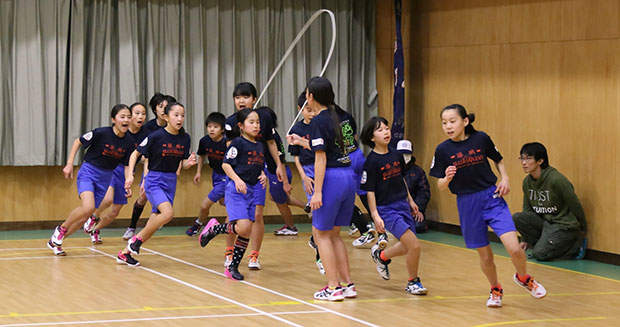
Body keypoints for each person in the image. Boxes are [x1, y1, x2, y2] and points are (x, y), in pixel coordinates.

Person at [429, 104, 546, 308]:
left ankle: (524, 277)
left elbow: (498, 160)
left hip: (491, 197)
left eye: (452, 121)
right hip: (466, 203)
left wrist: (505, 178)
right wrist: (446, 179)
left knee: (515, 249)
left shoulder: (481, 139)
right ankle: (495, 289)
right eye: (444, 123)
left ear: (465, 121)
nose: (448, 126)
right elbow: (439, 186)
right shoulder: (442, 150)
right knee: (486, 255)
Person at [287, 76, 357, 301]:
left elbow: (321, 158)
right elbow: (339, 148)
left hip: (330, 179)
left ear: (311, 96)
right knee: (335, 234)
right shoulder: (345, 117)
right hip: (348, 176)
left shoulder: (318, 121)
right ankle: (348, 285)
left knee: (321, 234)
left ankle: (333, 287)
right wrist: (301, 142)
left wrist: (317, 191)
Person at [48, 104, 135, 255]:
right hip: (88, 172)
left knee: (84, 217)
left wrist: (128, 179)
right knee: (88, 208)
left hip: (105, 177)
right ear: (113, 119)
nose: (126, 120)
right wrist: (69, 163)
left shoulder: (129, 141)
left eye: (128, 117)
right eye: (122, 117)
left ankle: (55, 242)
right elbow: (78, 141)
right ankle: (61, 229)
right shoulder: (101, 133)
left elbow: (127, 164)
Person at [116, 102, 196, 266]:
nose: (180, 119)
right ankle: (135, 241)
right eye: (176, 115)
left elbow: (182, 164)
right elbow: (134, 154)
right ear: (166, 117)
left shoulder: (185, 138)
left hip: (171, 181)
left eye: (182, 115)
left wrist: (189, 163)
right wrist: (130, 175)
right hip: (154, 180)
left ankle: (125, 253)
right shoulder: (155, 136)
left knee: (154, 222)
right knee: (168, 214)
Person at [360, 116, 428, 295]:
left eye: (387, 128)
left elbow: (401, 179)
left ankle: (381, 256)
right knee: (414, 245)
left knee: (407, 246)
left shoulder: (397, 155)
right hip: (386, 209)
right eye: (380, 129)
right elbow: (370, 191)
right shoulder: (371, 162)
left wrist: (411, 201)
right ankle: (413, 281)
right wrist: (375, 215)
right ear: (372, 137)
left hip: (402, 205)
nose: (386, 132)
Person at [199, 108, 267, 280]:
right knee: (243, 227)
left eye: (257, 122)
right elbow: (226, 165)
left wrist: (263, 175)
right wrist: (237, 180)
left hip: (251, 191)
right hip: (236, 191)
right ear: (241, 126)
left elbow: (257, 165)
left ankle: (232, 268)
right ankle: (213, 229)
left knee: (246, 231)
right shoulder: (237, 143)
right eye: (251, 122)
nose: (256, 125)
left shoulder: (259, 145)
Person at [83, 103, 150, 243]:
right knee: (107, 199)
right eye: (136, 113)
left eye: (143, 114)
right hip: (112, 168)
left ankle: (95, 230)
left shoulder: (146, 134)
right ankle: (93, 216)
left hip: (127, 171)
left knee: (115, 211)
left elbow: (145, 156)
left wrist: (138, 175)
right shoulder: (118, 130)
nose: (140, 117)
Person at [513, 142, 587, 261]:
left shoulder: (556, 179)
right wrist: (524, 239)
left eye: (528, 158)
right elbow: (527, 211)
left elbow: (574, 204)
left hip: (563, 225)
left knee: (539, 254)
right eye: (522, 158)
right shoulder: (527, 182)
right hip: (545, 223)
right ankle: (545, 246)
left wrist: (583, 229)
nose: (523, 162)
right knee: (517, 217)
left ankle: (575, 247)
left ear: (540, 161)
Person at [123, 93, 177, 240]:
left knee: (162, 209)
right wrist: (144, 176)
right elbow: (142, 154)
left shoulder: (176, 130)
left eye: (167, 107)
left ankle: (145, 231)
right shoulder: (149, 129)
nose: (163, 109)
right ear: (155, 109)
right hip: (151, 168)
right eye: (161, 107)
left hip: (167, 172)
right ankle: (132, 228)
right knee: (143, 196)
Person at [288, 91, 324, 274]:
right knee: (316, 207)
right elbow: (295, 157)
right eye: (307, 110)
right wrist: (303, 176)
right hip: (308, 169)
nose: (312, 113)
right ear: (300, 110)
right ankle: (319, 250)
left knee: (324, 206)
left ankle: (316, 239)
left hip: (323, 166)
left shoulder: (320, 126)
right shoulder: (297, 129)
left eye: (313, 110)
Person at [185, 112, 228, 236]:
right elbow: (202, 155)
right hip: (216, 174)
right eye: (209, 126)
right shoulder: (204, 141)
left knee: (204, 205)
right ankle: (243, 213)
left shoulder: (227, 142)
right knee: (223, 201)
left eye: (215, 127)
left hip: (227, 177)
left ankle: (198, 224)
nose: (212, 129)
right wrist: (198, 172)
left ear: (222, 129)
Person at [397, 140, 430, 233]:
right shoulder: (391, 170)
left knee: (418, 225)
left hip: (411, 209)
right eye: (402, 154)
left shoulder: (418, 172)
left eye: (407, 154)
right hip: (393, 207)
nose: (405, 157)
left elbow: (424, 192)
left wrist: (419, 209)